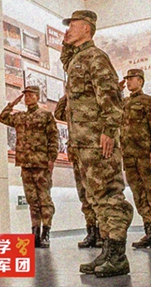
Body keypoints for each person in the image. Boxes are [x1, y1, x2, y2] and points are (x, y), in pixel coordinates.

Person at [61, 10, 134, 278]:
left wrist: (109, 130)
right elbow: (66, 60)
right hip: (82, 142)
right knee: (94, 198)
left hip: (97, 140)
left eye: (73, 26)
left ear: (87, 29)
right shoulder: (77, 59)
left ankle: (118, 256)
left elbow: (110, 95)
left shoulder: (96, 57)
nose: (68, 30)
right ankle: (107, 251)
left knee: (109, 195)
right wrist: (65, 44)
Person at [0, 85, 59, 248]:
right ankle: (35, 233)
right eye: (25, 95)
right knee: (32, 200)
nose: (28, 98)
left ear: (37, 97)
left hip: (41, 163)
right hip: (25, 164)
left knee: (44, 200)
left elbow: (53, 138)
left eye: (31, 95)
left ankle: (46, 232)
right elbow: (2, 117)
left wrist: (52, 159)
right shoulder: (20, 116)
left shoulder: (45, 115)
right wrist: (12, 104)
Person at [119, 69, 151, 249]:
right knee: (139, 195)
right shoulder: (124, 103)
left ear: (140, 81)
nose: (128, 82)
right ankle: (149, 232)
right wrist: (116, 92)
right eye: (127, 79)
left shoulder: (149, 101)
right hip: (130, 158)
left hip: (146, 156)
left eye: (131, 79)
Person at [54, 91, 101, 249]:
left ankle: (102, 232)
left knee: (96, 194)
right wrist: (66, 96)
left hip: (91, 153)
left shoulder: (92, 102)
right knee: (84, 195)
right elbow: (58, 113)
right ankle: (91, 231)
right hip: (76, 154)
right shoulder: (71, 107)